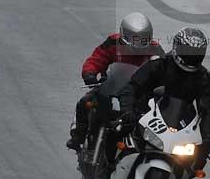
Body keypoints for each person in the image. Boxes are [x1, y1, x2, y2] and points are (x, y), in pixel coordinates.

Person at [114, 27, 210, 179]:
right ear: (177, 48)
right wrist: (128, 112)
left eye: (196, 53)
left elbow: (208, 111)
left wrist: (208, 140)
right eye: (188, 52)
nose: (191, 57)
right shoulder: (159, 64)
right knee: (117, 130)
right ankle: (107, 170)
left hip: (178, 123)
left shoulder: (203, 77)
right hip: (145, 114)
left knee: (197, 158)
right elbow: (131, 88)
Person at [66, 12, 164, 151]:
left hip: (136, 94)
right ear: (124, 34)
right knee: (85, 103)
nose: (138, 42)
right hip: (111, 86)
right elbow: (97, 58)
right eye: (134, 38)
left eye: (142, 38)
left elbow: (163, 71)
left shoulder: (155, 50)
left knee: (144, 121)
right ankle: (78, 136)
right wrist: (90, 73)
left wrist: (160, 89)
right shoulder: (113, 42)